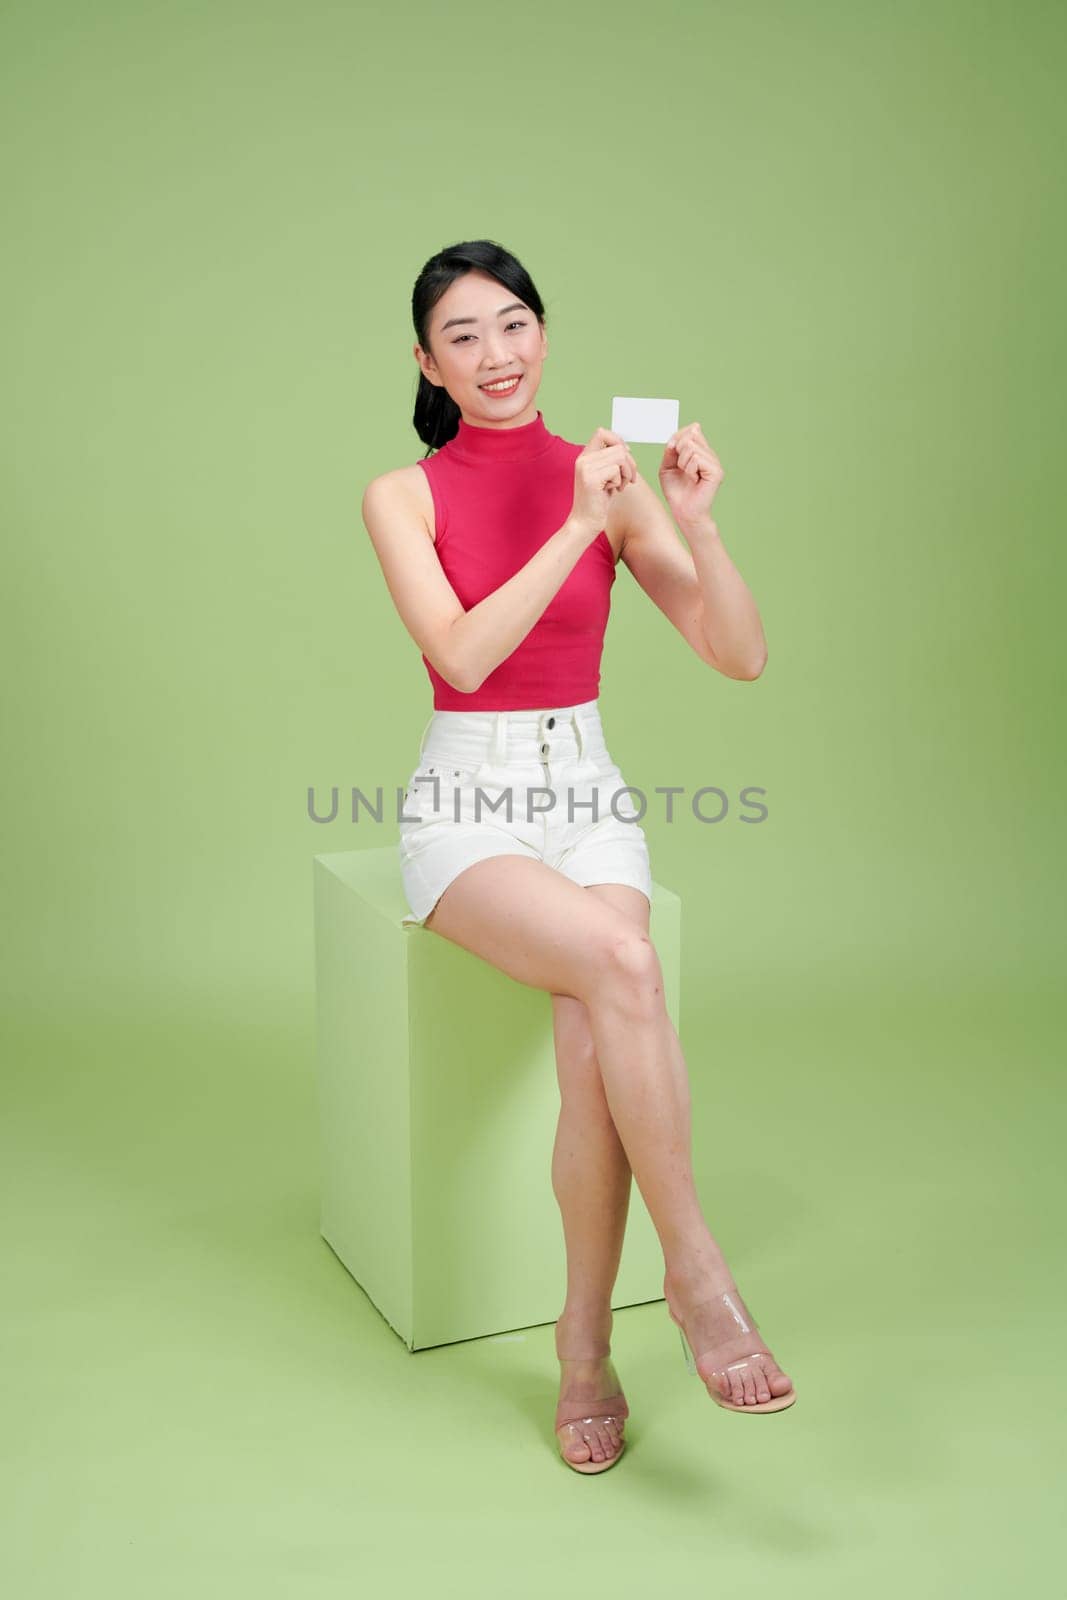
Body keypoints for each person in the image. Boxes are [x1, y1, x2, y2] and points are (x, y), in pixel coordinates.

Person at [361, 239, 795, 1475]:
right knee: (623, 954)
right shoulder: (403, 492)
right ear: (426, 362)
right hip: (466, 806)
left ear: (542, 332)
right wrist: (574, 528)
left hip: (586, 794)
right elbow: (460, 656)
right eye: (463, 336)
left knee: (596, 1024)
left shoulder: (607, 476)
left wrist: (693, 526)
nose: (494, 355)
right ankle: (698, 1269)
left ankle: (584, 1350)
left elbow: (737, 653)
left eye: (513, 325)